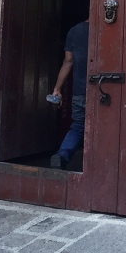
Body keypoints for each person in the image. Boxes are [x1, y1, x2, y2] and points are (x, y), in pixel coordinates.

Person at [50, 20, 89, 169]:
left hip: (80, 91)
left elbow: (68, 61)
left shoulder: (74, 30)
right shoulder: (112, 28)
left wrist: (57, 89)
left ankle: (62, 154)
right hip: (106, 89)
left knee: (78, 126)